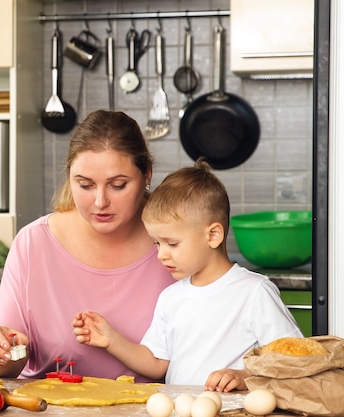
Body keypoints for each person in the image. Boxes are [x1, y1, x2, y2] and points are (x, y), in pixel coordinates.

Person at [0, 110, 175, 381]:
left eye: (118, 185)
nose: (100, 201)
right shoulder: (33, 244)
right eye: (85, 185)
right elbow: (8, 362)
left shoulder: (177, 246)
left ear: (147, 174)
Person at [72, 159, 303, 392]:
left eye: (172, 243)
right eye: (157, 243)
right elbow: (156, 363)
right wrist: (111, 340)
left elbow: (292, 359)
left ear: (212, 235)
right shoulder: (170, 298)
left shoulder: (254, 292)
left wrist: (245, 376)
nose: (161, 254)